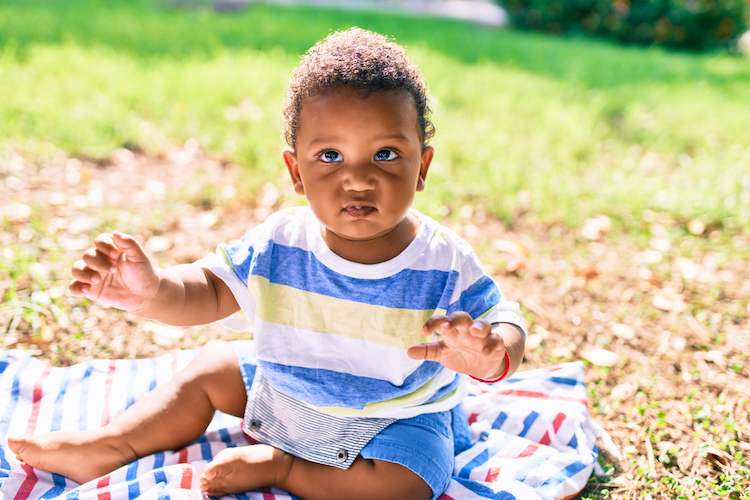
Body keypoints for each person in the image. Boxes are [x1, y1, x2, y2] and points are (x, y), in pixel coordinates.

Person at [8, 28, 526, 500]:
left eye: (386, 154)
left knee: (409, 484)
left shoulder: (442, 258)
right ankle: (111, 445)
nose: (358, 179)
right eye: (329, 157)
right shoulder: (280, 241)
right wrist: (153, 289)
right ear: (295, 171)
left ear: (423, 166)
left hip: (391, 420)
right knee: (210, 368)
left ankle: (284, 469)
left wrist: (490, 353)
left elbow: (506, 319)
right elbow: (208, 291)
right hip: (286, 394)